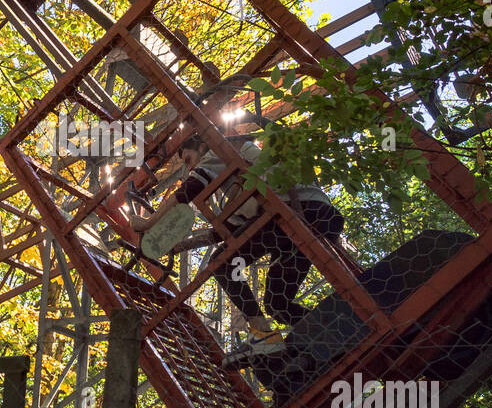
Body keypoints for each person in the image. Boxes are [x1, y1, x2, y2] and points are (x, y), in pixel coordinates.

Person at [131, 132, 344, 363]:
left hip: (295, 209)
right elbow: (228, 233)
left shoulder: (218, 150)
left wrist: (148, 222)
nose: (189, 168)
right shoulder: (239, 183)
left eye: (188, 160)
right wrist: (178, 245)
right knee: (277, 304)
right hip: (310, 218)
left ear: (202, 145)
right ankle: (335, 336)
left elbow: (187, 192)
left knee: (221, 265)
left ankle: (264, 337)